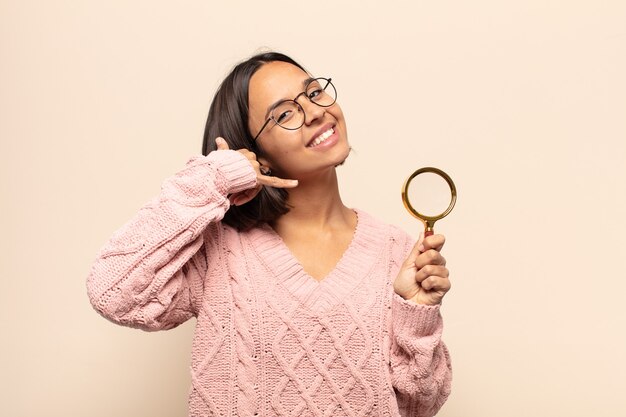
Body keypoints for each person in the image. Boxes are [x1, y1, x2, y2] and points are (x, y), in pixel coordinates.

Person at [87, 51, 452, 417]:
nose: (314, 112)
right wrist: (214, 178)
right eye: (284, 114)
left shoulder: (396, 251)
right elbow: (112, 292)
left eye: (313, 93)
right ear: (255, 152)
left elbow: (420, 406)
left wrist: (417, 315)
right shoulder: (219, 250)